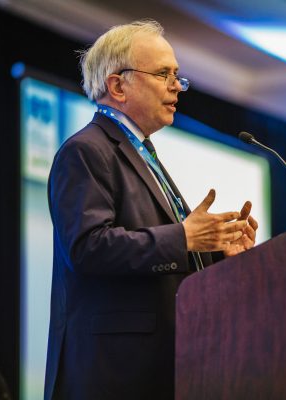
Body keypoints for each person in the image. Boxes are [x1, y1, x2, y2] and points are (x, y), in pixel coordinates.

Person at [43, 19, 258, 400]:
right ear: (117, 85)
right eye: (163, 74)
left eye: (178, 76)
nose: (177, 86)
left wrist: (218, 251)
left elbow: (164, 253)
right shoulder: (86, 151)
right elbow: (87, 247)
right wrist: (184, 237)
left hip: (161, 371)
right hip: (112, 375)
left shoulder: (145, 154)